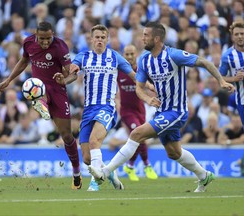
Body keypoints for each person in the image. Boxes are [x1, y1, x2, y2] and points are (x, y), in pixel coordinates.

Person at [88, 22, 235, 192]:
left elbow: (204, 62)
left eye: (146, 35)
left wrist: (221, 80)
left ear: (156, 39)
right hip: (161, 111)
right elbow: (139, 87)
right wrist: (148, 99)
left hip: (177, 111)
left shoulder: (174, 55)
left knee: (136, 134)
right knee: (173, 152)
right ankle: (204, 175)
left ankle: (104, 173)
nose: (142, 38)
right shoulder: (144, 59)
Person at [53, 24, 146, 191]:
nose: (100, 40)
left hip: (107, 108)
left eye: (103, 37)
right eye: (97, 37)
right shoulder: (83, 57)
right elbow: (72, 75)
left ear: (107, 39)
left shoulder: (115, 57)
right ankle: (109, 173)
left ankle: (95, 183)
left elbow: (134, 76)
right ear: (91, 39)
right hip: (88, 110)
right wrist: (63, 81)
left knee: (95, 141)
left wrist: (150, 86)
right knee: (88, 158)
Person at [0, 21, 82, 190]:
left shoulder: (60, 47)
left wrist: (63, 79)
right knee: (36, 91)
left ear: (53, 35)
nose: (45, 42)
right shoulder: (28, 42)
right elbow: (23, 61)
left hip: (58, 90)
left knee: (66, 135)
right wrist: (9, 79)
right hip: (39, 88)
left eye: (48, 38)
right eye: (42, 38)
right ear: (36, 35)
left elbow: (72, 75)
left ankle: (76, 174)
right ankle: (41, 105)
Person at [117, 44, 158, 181]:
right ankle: (147, 164)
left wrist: (152, 87)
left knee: (140, 138)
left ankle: (130, 165)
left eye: (131, 54)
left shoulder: (142, 70)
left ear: (136, 55)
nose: (129, 57)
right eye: (126, 54)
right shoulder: (119, 71)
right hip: (126, 112)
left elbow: (146, 82)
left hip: (140, 110)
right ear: (123, 55)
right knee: (138, 134)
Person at [219, 20, 244, 128]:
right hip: (242, 100)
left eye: (242, 34)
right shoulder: (227, 56)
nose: (239, 36)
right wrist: (234, 79)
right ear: (232, 37)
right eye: (236, 34)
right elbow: (220, 77)